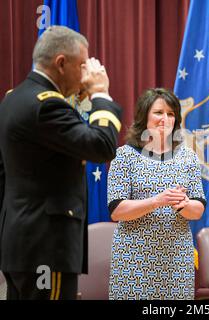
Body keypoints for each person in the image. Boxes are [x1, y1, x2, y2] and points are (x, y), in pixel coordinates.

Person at [0, 26, 122, 300]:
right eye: (82, 65)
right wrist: (101, 95)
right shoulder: (46, 105)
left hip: (19, 242)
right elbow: (101, 147)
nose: (86, 73)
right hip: (47, 247)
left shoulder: (14, 99)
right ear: (61, 63)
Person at [107, 88, 206, 300]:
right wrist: (157, 201)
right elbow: (117, 211)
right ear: (145, 116)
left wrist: (182, 204)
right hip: (134, 259)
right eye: (159, 112)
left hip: (176, 259)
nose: (165, 119)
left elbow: (197, 210)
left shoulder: (188, 157)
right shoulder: (124, 156)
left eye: (171, 114)